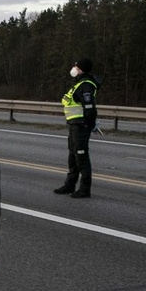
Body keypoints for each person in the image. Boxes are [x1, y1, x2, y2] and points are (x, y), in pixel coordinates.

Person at [54, 58, 100, 198]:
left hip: (81, 125)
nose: (74, 67)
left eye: (76, 66)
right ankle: (70, 185)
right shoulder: (79, 83)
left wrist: (91, 124)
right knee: (73, 156)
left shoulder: (86, 85)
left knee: (81, 157)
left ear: (81, 69)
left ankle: (85, 190)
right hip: (74, 125)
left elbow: (89, 108)